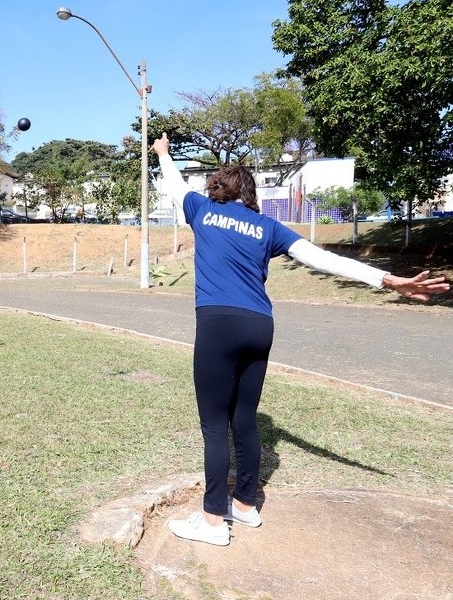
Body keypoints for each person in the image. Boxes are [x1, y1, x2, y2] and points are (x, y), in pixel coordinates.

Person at [150, 133, 450, 547]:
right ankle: (245, 506)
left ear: (219, 188)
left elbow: (173, 183)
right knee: (246, 419)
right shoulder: (267, 227)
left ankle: (214, 523)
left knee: (214, 426)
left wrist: (164, 154)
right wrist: (385, 278)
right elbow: (324, 259)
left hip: (219, 322)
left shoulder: (202, 208)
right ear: (252, 196)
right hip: (260, 325)